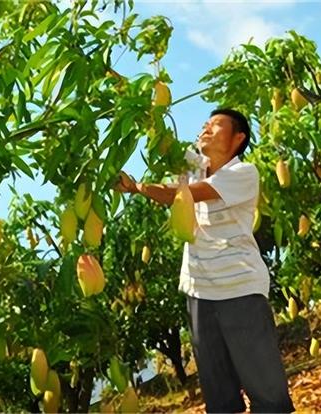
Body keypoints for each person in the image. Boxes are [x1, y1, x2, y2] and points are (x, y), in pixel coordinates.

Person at [115, 108, 295, 413]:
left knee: (268, 395)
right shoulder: (194, 165)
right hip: (199, 292)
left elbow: (180, 195)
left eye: (216, 125)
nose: (206, 128)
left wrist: (138, 187)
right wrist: (137, 103)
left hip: (240, 290)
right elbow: (162, 137)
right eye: (204, 123)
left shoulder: (243, 173)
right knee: (219, 398)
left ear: (238, 138)